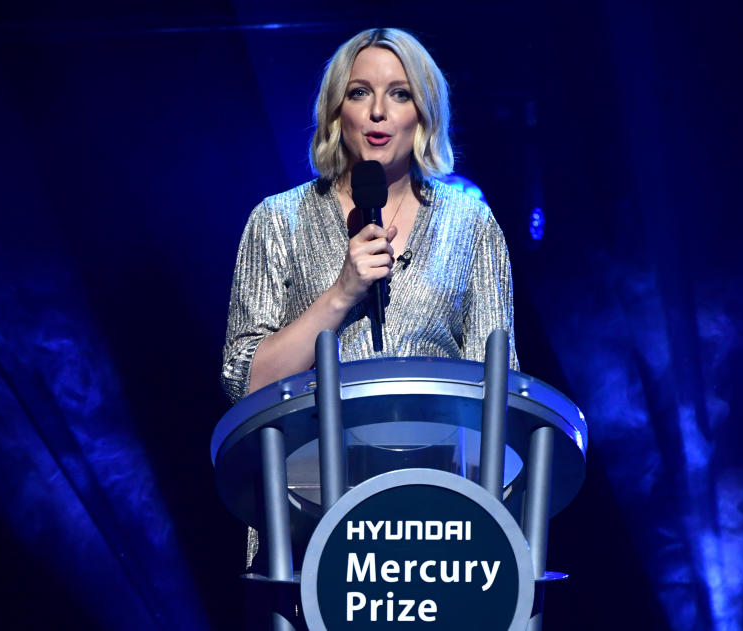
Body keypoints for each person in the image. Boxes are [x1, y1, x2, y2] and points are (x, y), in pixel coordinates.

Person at [221, 27, 519, 573]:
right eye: (360, 93)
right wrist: (341, 294)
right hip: (306, 516)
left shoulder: (469, 225)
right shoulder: (277, 221)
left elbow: (494, 394)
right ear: (337, 113)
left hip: (436, 520)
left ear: (423, 114)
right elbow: (247, 384)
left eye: (400, 94)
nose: (379, 111)